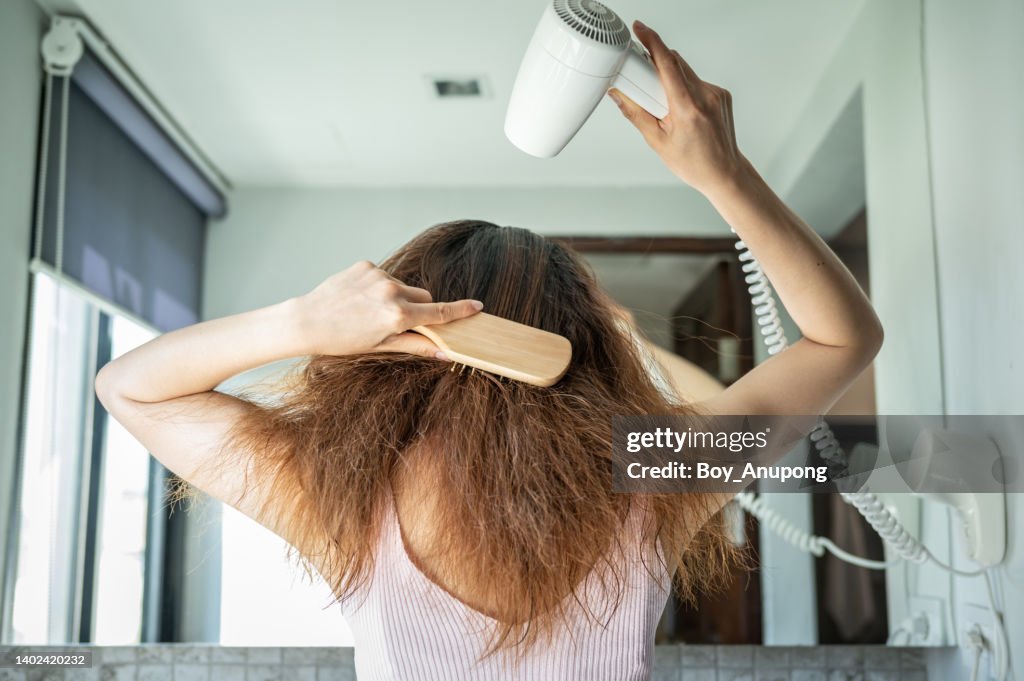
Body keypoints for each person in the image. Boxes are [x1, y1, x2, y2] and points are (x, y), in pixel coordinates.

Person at [95, 21, 882, 681]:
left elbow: (129, 387)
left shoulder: (341, 497)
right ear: (585, 341)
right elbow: (845, 337)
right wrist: (728, 176)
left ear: (395, 350)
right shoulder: (654, 473)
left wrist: (300, 323)